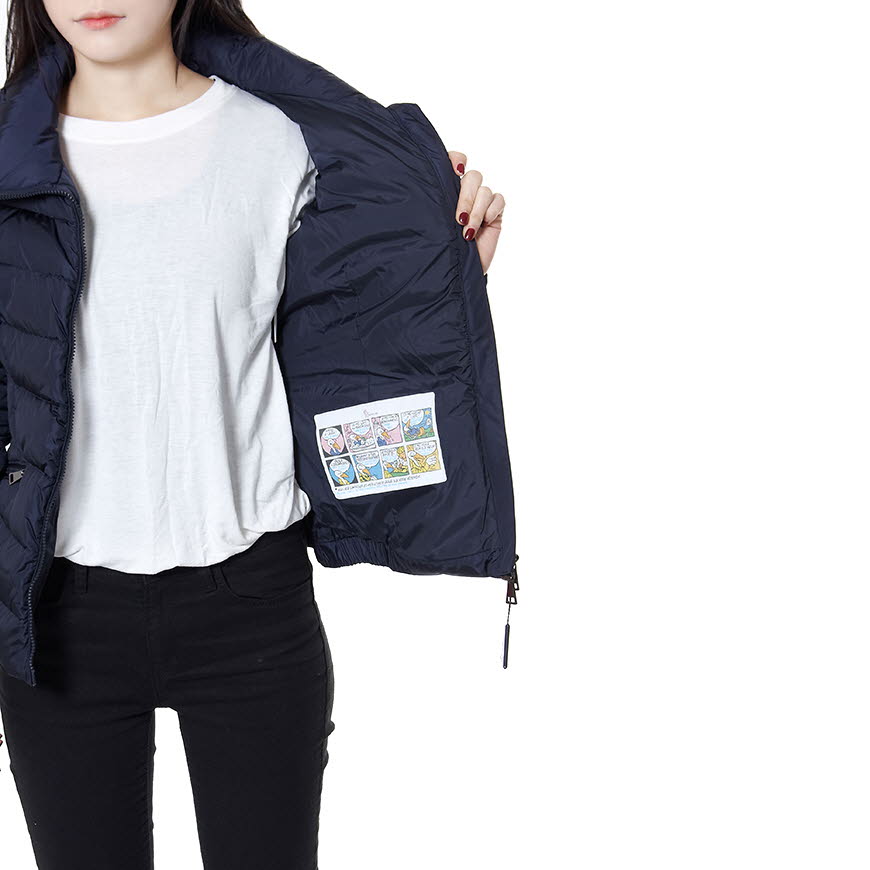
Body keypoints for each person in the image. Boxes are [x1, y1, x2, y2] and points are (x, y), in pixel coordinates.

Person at [0, 1, 516, 868]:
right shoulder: (9, 160)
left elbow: (354, 336)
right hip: (56, 619)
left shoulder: (280, 140)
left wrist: (445, 265)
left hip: (251, 610)